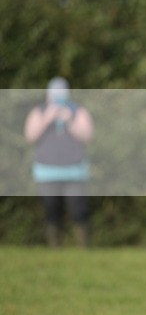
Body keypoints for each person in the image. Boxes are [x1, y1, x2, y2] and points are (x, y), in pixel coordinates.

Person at [24, 77, 94, 247]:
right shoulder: (39, 111)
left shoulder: (77, 111)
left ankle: (83, 248)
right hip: (47, 172)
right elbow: (30, 136)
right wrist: (48, 118)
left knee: (78, 210)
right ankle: (55, 249)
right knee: (52, 211)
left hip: (75, 171)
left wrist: (69, 120)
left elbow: (87, 136)